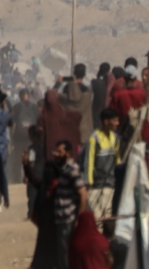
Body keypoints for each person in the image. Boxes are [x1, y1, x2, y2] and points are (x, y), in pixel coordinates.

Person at [50, 140, 86, 269]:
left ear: (68, 153)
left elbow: (83, 194)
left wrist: (78, 218)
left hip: (68, 220)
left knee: (67, 256)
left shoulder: (72, 170)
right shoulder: (64, 170)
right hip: (62, 220)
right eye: (56, 151)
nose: (57, 154)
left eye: (60, 152)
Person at [85, 109, 120, 232]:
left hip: (110, 185)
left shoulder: (115, 138)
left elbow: (118, 162)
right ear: (106, 122)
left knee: (109, 217)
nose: (117, 123)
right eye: (115, 120)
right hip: (95, 186)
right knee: (97, 218)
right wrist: (89, 183)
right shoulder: (94, 138)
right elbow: (89, 162)